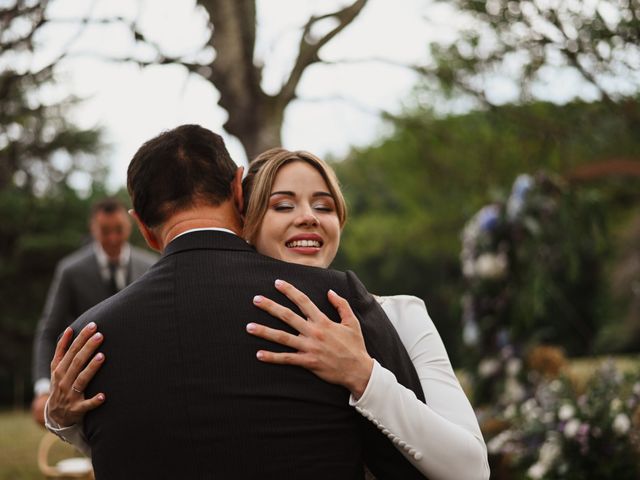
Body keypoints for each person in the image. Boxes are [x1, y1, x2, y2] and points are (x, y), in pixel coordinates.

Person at [48, 146, 489, 479]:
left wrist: (364, 375)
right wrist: (64, 421)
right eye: (283, 205)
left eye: (324, 205)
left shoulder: (401, 314)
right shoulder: (224, 327)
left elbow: (471, 469)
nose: (308, 218)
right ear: (245, 216)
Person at [31, 197, 158, 426]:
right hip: (87, 389)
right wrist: (43, 388)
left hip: (142, 388)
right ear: (93, 229)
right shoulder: (70, 271)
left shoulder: (151, 266)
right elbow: (48, 331)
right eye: (105, 231)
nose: (112, 238)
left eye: (118, 230)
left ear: (130, 226)